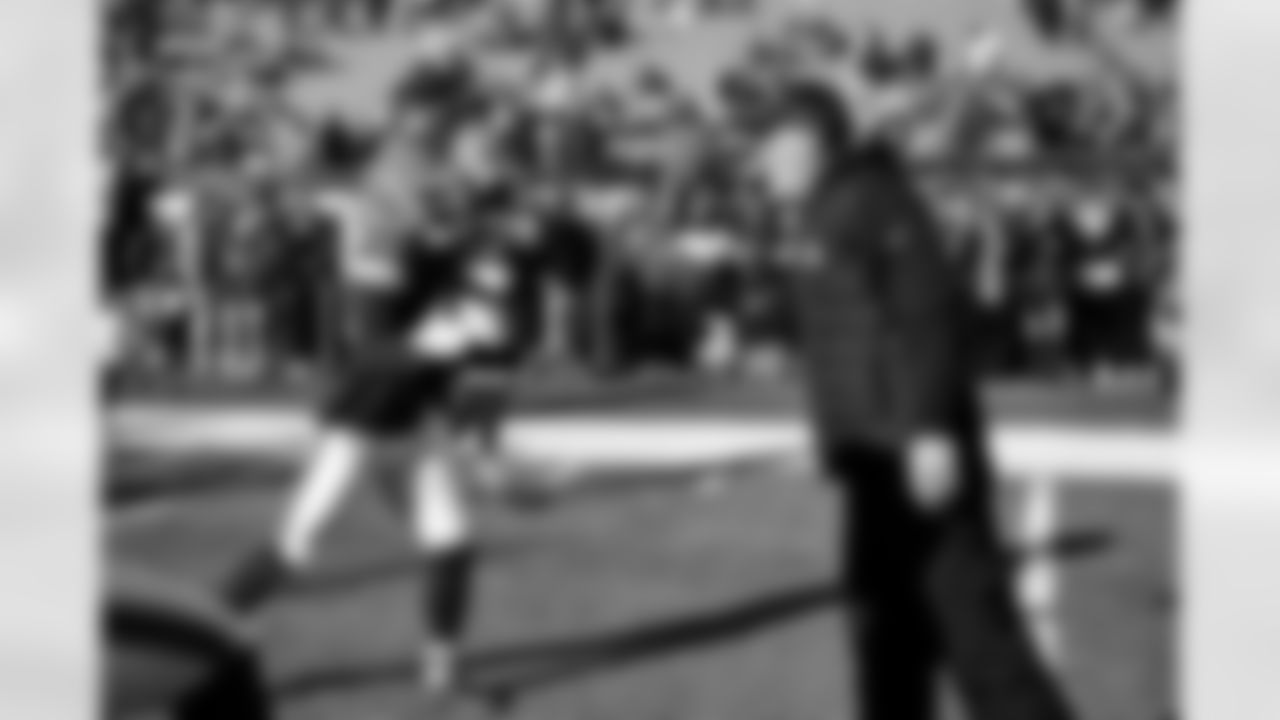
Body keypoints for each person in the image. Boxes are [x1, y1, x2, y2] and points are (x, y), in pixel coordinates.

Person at [747, 80, 1077, 720]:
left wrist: (929, 429)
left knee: (980, 646)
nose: (762, 162)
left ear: (810, 143)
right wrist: (834, 442)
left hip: (913, 458)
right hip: (876, 460)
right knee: (886, 641)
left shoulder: (874, 201)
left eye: (772, 145)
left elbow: (928, 315)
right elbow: (853, 343)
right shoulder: (830, 208)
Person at [223, 90, 489, 696]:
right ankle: (192, 647)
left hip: (410, 419)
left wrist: (464, 418)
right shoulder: (374, 227)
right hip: (363, 417)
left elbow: (445, 325)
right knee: (296, 545)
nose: (434, 176)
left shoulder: (425, 230)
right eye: (419, 160)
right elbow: (373, 345)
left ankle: (441, 675)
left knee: (452, 544)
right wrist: (442, 343)